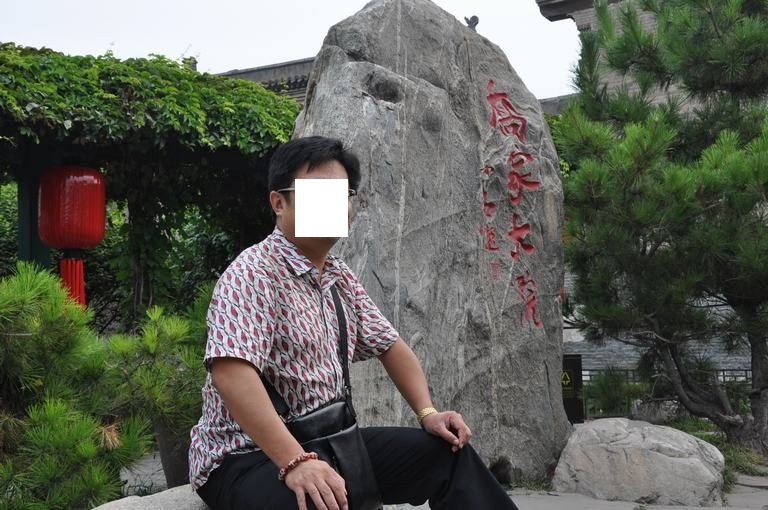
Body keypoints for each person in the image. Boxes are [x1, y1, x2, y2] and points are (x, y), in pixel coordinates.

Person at [189, 136, 519, 510]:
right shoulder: (252, 274)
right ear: (279, 203)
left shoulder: (339, 277)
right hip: (244, 457)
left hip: (330, 442)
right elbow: (231, 373)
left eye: (342, 194)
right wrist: (294, 461)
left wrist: (428, 413)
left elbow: (391, 346)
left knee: (448, 453)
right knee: (321, 501)